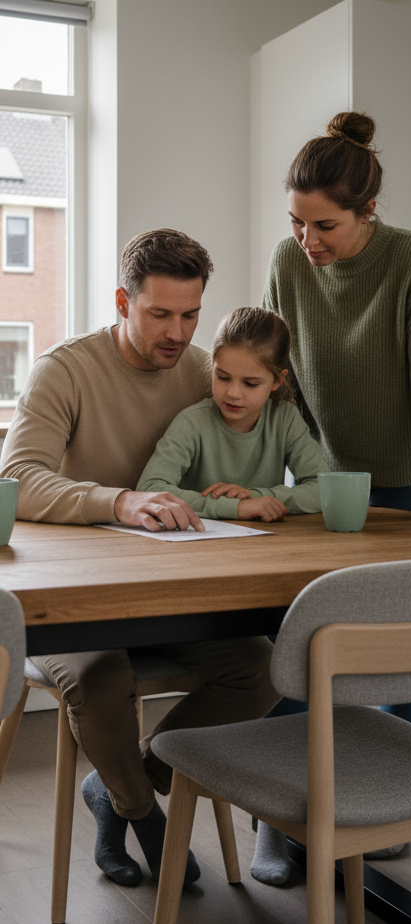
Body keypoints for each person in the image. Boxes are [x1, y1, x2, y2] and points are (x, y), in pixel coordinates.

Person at [252, 110, 411, 884]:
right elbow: (280, 386)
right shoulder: (288, 265)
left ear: (367, 212)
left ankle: (384, 817)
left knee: (402, 668)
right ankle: (273, 814)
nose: (306, 240)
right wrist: (287, 483)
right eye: (295, 221)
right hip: (323, 488)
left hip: (410, 487)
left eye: (323, 224)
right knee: (306, 654)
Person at [0, 228, 280, 887]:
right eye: (160, 314)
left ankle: (128, 782)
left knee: (263, 670)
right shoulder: (65, 369)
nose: (177, 333)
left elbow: (236, 456)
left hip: (169, 590)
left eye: (190, 315)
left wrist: (242, 487)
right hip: (71, 593)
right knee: (100, 682)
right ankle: (141, 813)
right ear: (124, 301)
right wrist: (118, 501)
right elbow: (18, 475)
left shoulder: (200, 371)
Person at [137, 305, 330, 519]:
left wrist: (258, 496)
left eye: (250, 383)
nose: (233, 393)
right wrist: (235, 508)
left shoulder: (285, 419)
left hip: (265, 544)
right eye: (223, 377)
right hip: (195, 543)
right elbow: (149, 489)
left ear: (277, 380)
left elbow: (325, 488)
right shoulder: (192, 422)